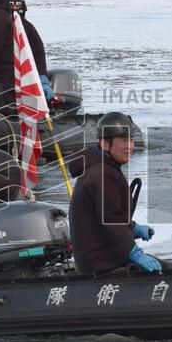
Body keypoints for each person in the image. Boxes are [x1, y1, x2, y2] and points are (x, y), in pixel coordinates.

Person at [68, 111, 161, 274]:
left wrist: (133, 228)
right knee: (168, 271)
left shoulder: (103, 168)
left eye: (131, 140)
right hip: (101, 264)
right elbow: (110, 220)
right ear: (105, 144)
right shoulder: (101, 174)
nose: (130, 147)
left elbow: (108, 216)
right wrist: (135, 252)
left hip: (101, 258)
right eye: (124, 141)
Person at [5, 0, 55, 103]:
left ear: (22, 5)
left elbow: (39, 54)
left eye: (17, 4)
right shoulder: (0, 26)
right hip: (3, 76)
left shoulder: (28, 28)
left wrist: (42, 78)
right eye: (11, 4)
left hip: (23, 76)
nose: (14, 8)